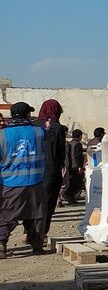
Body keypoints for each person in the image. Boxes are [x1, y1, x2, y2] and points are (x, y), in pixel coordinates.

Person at [0, 102, 48, 258]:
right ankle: (37, 246)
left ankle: (1, 244)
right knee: (36, 215)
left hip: (10, 183)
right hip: (35, 181)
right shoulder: (39, 132)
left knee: (7, 216)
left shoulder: (2, 135)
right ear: (27, 115)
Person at [37, 99, 67, 243]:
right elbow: (61, 152)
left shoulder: (34, 125)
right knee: (48, 202)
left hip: (35, 169)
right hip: (51, 169)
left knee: (34, 201)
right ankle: (41, 233)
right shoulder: (58, 128)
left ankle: (27, 232)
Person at [61, 128, 86, 203]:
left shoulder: (69, 143)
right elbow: (78, 156)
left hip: (69, 165)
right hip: (75, 166)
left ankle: (70, 196)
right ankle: (70, 196)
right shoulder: (78, 144)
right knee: (77, 183)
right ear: (80, 136)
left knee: (71, 182)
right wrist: (80, 166)